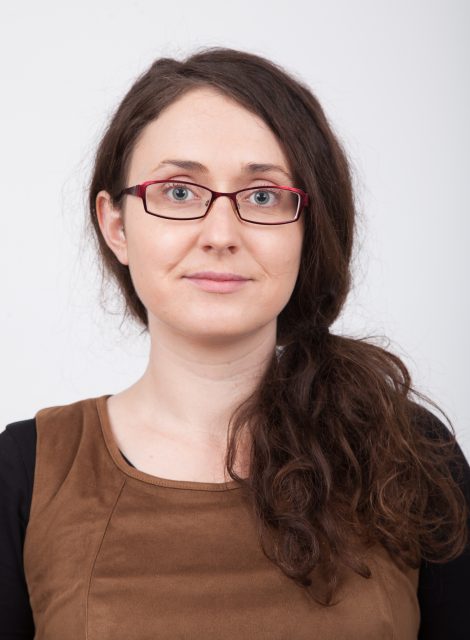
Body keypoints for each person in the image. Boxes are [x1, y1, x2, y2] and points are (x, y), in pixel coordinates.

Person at [1, 47, 469, 639]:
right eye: (178, 192)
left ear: (309, 228)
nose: (220, 234)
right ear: (116, 225)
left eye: (263, 196)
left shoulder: (408, 450)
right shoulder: (28, 470)